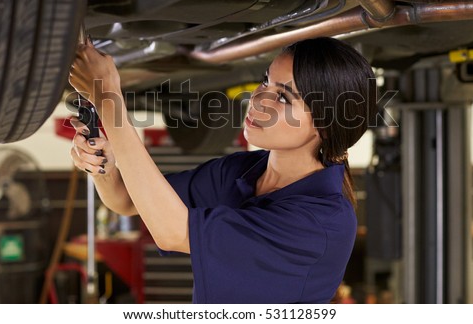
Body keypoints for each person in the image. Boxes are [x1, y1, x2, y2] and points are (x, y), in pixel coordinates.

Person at [68, 36, 377, 303]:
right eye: (265, 80)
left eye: (282, 97)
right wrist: (103, 169)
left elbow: (172, 232)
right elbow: (126, 200)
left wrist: (106, 94)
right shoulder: (243, 173)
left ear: (323, 125)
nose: (258, 98)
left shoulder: (319, 223)